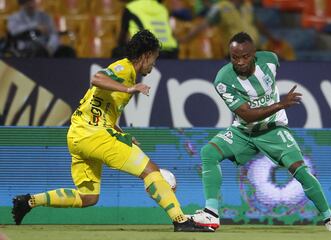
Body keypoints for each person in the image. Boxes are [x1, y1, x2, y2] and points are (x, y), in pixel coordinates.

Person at [11, 29, 213, 232]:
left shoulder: (124, 72)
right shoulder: (124, 69)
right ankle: (180, 220)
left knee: (88, 197)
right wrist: (129, 89)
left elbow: (104, 110)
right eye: (154, 58)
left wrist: (122, 134)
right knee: (150, 170)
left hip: (77, 135)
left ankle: (28, 202)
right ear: (145, 56)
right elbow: (96, 78)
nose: (154, 63)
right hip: (95, 135)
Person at [188, 32, 331, 232]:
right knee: (208, 152)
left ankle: (329, 218)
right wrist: (280, 104)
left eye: (245, 56)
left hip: (273, 128)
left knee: (300, 170)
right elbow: (248, 115)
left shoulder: (270, 60)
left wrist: (278, 107)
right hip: (244, 130)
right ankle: (211, 213)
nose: (240, 62)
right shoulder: (223, 80)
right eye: (235, 57)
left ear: (254, 54)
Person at [180, 0, 294, 59]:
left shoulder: (247, 6)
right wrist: (186, 38)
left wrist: (271, 38)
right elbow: (204, 24)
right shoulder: (221, 8)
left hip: (255, 51)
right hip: (235, 55)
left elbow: (257, 24)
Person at [112, 0, 179, 59]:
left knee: (117, 51)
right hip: (171, 52)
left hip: (146, 52)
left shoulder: (131, 7)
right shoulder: (163, 8)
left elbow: (123, 34)